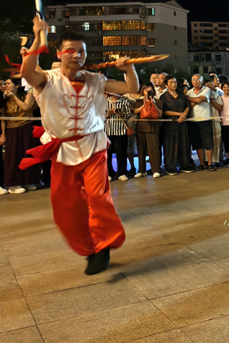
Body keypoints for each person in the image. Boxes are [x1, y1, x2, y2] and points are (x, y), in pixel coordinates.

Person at [19, 20, 138, 275]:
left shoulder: (96, 79)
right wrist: (39, 38)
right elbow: (27, 72)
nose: (77, 55)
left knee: (98, 198)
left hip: (93, 146)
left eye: (82, 51)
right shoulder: (47, 80)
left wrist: (128, 70)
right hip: (61, 151)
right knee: (66, 207)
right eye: (71, 50)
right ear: (59, 53)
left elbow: (131, 89)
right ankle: (89, 249)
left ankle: (104, 245)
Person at [2, 79, 39, 192]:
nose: (6, 86)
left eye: (9, 83)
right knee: (13, 156)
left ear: (17, 86)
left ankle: (28, 181)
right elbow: (3, 114)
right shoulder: (4, 98)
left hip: (26, 127)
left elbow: (26, 107)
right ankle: (13, 184)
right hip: (11, 128)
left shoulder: (28, 95)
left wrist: (14, 97)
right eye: (5, 84)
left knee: (27, 153)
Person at [161, 77, 194, 174]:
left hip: (182, 124)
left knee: (184, 144)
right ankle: (170, 167)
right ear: (166, 85)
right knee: (171, 146)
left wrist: (183, 115)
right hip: (170, 125)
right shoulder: (164, 97)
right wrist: (178, 114)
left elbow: (187, 106)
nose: (173, 84)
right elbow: (164, 111)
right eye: (171, 82)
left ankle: (184, 165)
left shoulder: (181, 95)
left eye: (174, 82)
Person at [133, 82, 164, 178]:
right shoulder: (139, 101)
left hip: (153, 128)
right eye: (146, 90)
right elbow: (135, 111)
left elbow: (160, 114)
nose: (148, 92)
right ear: (143, 91)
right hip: (141, 127)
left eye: (150, 90)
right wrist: (144, 104)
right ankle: (141, 170)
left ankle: (155, 170)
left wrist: (153, 103)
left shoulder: (158, 101)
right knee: (141, 149)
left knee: (153, 149)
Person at [186, 74, 215, 171]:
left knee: (208, 143)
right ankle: (202, 163)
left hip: (205, 120)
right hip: (193, 121)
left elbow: (200, 99)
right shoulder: (189, 92)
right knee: (198, 144)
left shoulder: (206, 90)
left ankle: (210, 163)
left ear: (202, 81)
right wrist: (196, 101)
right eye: (193, 79)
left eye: (198, 79)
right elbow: (189, 106)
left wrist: (190, 99)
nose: (195, 81)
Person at [105, 92, 133, 181]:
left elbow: (129, 115)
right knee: (107, 152)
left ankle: (122, 172)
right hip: (107, 130)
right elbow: (99, 115)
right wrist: (108, 114)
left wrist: (121, 114)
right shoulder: (104, 101)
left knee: (121, 151)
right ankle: (108, 173)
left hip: (121, 130)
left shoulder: (124, 101)